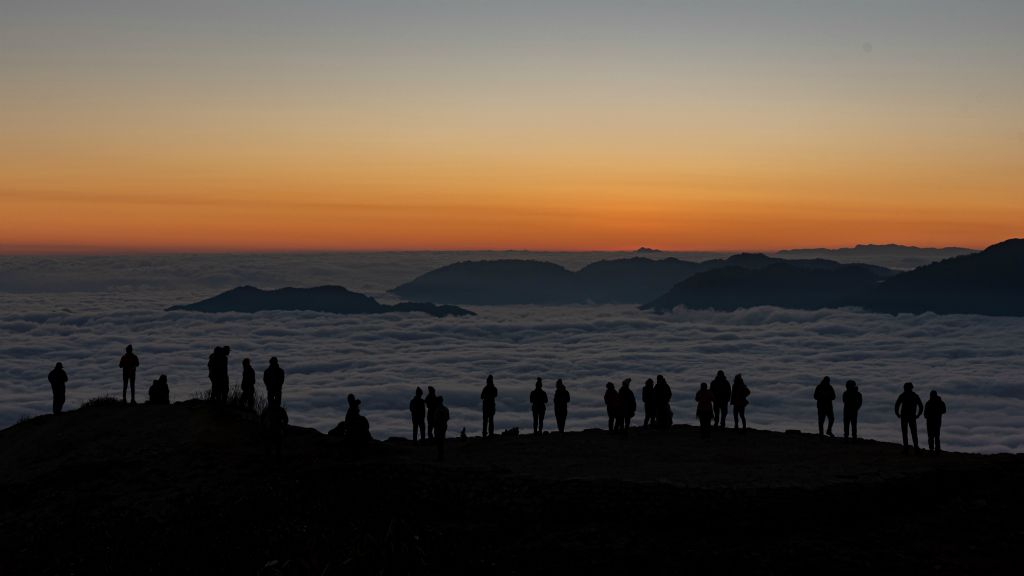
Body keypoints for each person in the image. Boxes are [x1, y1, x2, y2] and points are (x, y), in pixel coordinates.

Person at [895, 382, 924, 453]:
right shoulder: (914, 395)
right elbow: (921, 406)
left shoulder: (903, 395)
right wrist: (918, 414)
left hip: (904, 416)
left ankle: (906, 448)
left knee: (905, 433)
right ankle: (915, 448)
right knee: (913, 432)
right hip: (911, 417)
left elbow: (897, 405)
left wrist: (898, 414)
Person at [435, 395, 450, 462]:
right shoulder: (446, 409)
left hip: (439, 427)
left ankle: (440, 456)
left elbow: (436, 418)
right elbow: (447, 418)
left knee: (439, 442)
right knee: (442, 441)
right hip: (444, 426)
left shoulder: (438, 409)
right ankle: (441, 456)